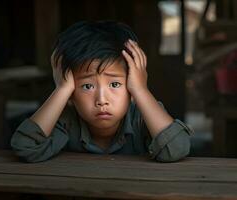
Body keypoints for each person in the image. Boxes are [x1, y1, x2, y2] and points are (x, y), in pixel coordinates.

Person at [11, 20, 193, 163]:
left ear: (131, 88)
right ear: (71, 95)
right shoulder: (65, 120)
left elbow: (177, 148)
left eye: (114, 84)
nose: (102, 100)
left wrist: (141, 90)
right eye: (87, 86)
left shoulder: (144, 115)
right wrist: (62, 89)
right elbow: (25, 148)